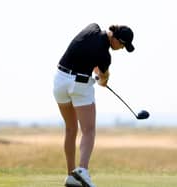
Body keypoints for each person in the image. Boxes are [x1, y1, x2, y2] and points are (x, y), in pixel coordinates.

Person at [53, 23, 135, 187]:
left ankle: (71, 175)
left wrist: (98, 73)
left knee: (70, 129)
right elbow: (102, 78)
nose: (121, 49)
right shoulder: (106, 56)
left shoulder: (92, 27)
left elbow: (88, 53)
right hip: (80, 85)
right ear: (116, 39)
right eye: (122, 45)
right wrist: (104, 78)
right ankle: (82, 170)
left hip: (60, 80)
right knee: (88, 130)